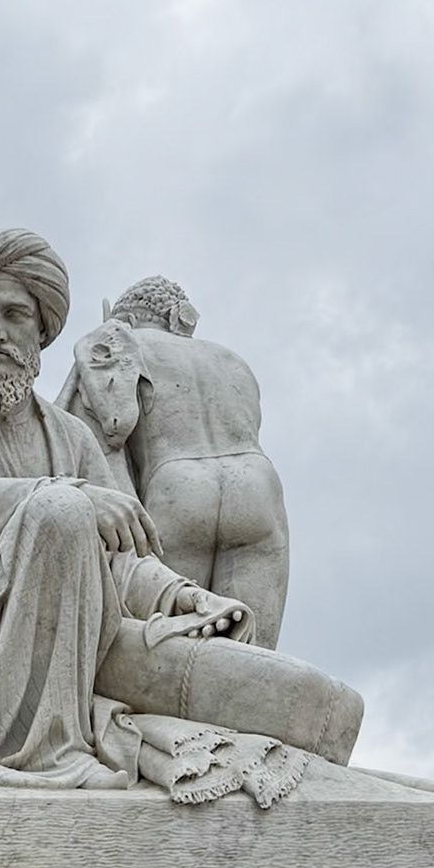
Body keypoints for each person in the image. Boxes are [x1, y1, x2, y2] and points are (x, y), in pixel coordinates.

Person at [0, 229, 360, 793]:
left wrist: (183, 596)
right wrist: (66, 496)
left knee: (319, 703)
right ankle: (56, 737)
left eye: (14, 315)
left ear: (42, 331)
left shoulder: (73, 436)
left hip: (72, 634)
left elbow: (123, 557)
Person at [58, 276, 290, 647]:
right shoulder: (231, 360)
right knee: (253, 656)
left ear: (125, 320)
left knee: (173, 652)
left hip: (178, 488)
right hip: (257, 487)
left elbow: (104, 432)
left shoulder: (120, 343)